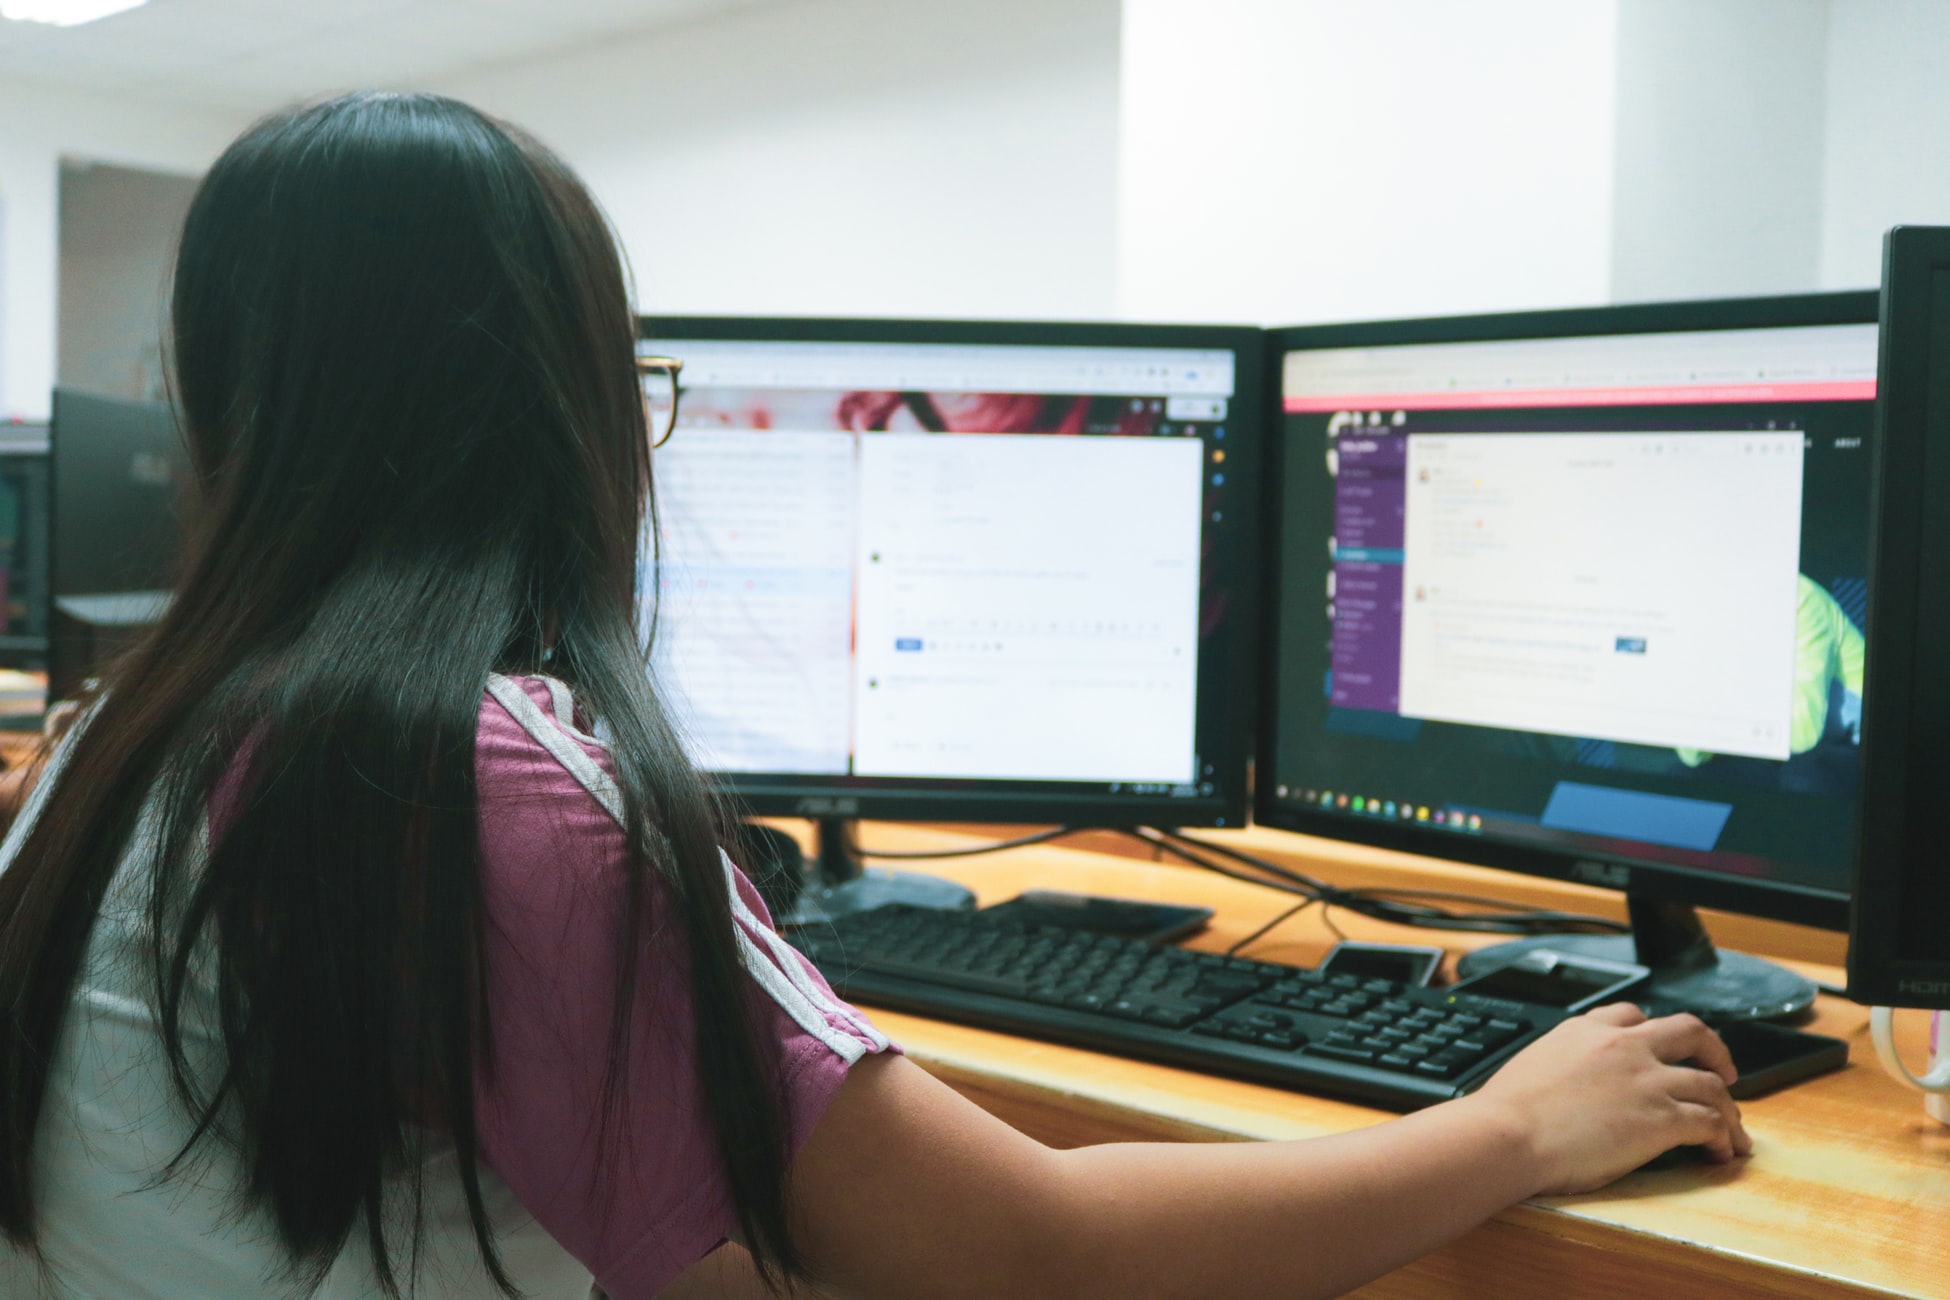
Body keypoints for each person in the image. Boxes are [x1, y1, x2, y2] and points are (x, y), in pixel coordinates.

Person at [0, 92, 1749, 1300]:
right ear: (566, 408)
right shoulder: (470, 791)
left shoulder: (116, 749)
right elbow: (1036, 1256)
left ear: (222, 415)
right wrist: (1508, 1126)